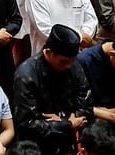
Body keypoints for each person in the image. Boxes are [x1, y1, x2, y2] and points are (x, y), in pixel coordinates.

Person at [11, 24, 93, 155]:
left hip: (66, 144)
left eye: (72, 61)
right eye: (63, 62)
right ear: (48, 52)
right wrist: (68, 124)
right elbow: (27, 123)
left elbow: (86, 107)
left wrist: (62, 121)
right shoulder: (26, 74)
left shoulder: (74, 66)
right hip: (36, 148)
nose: (68, 66)